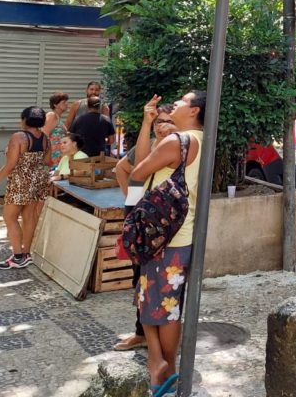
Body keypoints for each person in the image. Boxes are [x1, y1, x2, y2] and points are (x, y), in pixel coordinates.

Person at [130, 90, 205, 395]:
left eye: (182, 102)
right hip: (180, 233)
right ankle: (163, 369)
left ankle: (160, 365)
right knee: (164, 303)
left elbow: (136, 170)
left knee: (156, 302)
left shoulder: (177, 141)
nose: (175, 104)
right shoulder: (201, 138)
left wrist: (149, 128)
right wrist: (149, 123)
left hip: (162, 234)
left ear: (195, 110)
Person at [112, 97, 175, 353]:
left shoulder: (180, 148)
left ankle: (162, 336)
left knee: (165, 279)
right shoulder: (150, 144)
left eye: (169, 121)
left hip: (166, 220)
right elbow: (126, 167)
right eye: (160, 121)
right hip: (140, 217)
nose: (164, 126)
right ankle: (141, 332)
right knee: (139, 276)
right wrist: (132, 197)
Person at [0, 106, 49, 269]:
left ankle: (18, 256)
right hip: (37, 180)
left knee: (9, 217)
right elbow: (46, 161)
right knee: (29, 217)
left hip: (20, 181)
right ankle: (26, 254)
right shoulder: (45, 138)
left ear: (24, 120)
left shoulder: (19, 137)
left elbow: (10, 165)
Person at [44, 92, 70, 168]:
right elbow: (44, 135)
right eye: (63, 102)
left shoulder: (58, 118)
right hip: (52, 155)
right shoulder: (52, 115)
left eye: (66, 102)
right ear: (55, 104)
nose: (66, 104)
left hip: (59, 155)